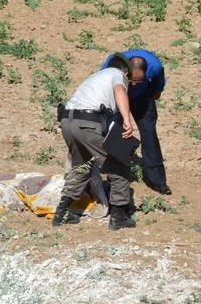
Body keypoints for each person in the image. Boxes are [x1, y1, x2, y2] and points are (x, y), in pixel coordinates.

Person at [54, 54, 137, 231]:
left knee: (82, 165)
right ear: (124, 71)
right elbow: (120, 92)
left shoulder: (96, 77)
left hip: (68, 122)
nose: (128, 81)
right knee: (119, 164)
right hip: (87, 123)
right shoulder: (117, 75)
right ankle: (119, 216)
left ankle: (62, 213)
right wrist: (127, 121)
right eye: (128, 78)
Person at [101, 49, 170, 195]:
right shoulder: (112, 64)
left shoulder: (155, 66)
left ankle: (158, 181)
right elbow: (102, 82)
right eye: (131, 81)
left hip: (142, 97)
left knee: (149, 134)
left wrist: (155, 93)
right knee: (116, 133)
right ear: (126, 71)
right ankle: (117, 177)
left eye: (138, 82)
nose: (133, 85)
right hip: (117, 95)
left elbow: (158, 81)